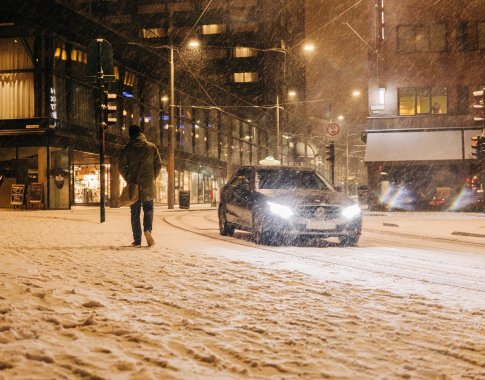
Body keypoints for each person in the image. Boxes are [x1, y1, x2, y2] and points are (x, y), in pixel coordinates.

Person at [119, 125, 162, 247]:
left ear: (130, 135)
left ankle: (137, 239)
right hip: (148, 185)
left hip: (134, 185)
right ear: (141, 133)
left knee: (135, 212)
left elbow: (121, 166)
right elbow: (158, 165)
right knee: (148, 209)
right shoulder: (151, 147)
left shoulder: (127, 149)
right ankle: (147, 230)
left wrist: (129, 178)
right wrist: (151, 177)